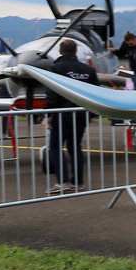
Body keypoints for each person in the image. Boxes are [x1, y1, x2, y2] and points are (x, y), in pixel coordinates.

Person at [47, 38, 99, 193]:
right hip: (81, 114)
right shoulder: (89, 70)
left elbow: (52, 93)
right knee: (75, 147)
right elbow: (95, 93)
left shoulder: (56, 68)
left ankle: (63, 181)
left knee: (55, 146)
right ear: (76, 51)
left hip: (61, 114)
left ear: (60, 52)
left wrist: (47, 114)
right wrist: (90, 114)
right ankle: (78, 182)